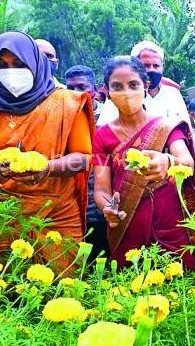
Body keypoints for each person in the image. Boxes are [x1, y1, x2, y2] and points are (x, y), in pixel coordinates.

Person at [92, 56, 195, 269]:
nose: (126, 92)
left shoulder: (165, 126)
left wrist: (167, 161)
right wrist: (108, 208)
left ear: (145, 86)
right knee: (132, 290)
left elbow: (187, 162)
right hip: (127, 224)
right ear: (107, 91)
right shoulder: (102, 136)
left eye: (133, 85)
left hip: (172, 224)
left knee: (182, 286)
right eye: (117, 86)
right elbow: (101, 189)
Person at [0, 31, 94, 270]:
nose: (10, 71)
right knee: (3, 291)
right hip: (2, 214)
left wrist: (47, 168)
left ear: (35, 62)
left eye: (18, 63)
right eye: (1, 65)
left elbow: (83, 158)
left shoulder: (68, 102)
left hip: (57, 215)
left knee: (61, 288)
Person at [65, 64, 109, 261]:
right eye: (70, 88)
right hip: (70, 205)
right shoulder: (62, 117)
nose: (76, 93)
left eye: (82, 87)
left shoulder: (108, 118)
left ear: (95, 88)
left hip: (101, 205)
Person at [96, 41, 190, 126]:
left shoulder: (173, 95)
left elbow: (186, 131)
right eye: (146, 65)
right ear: (134, 67)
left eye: (156, 66)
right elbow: (104, 132)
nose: (152, 70)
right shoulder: (119, 97)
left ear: (162, 67)